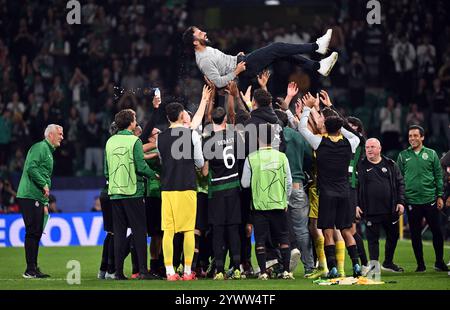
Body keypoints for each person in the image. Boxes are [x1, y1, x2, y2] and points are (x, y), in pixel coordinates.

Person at [298, 93, 362, 278]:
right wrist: (332, 110)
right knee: (346, 231)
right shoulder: (350, 143)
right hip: (344, 193)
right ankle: (356, 265)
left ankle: (332, 267)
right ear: (340, 128)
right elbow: (354, 133)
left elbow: (303, 128)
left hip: (326, 193)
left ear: (325, 127)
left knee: (327, 232)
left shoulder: (320, 143)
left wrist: (308, 108)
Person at [183, 26, 338, 89]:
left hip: (240, 61)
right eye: (199, 33)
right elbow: (217, 82)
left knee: (281, 54)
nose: (203, 32)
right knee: (276, 47)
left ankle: (318, 67)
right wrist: (236, 71)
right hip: (243, 69)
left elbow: (223, 64)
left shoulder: (206, 49)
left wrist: (235, 58)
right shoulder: (203, 59)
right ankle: (316, 47)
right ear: (195, 42)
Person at [104, 109, 158, 280]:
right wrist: (153, 175)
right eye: (134, 119)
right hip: (133, 192)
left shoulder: (110, 142)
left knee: (119, 234)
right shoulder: (134, 141)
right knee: (139, 231)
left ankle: (118, 272)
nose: (136, 121)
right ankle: (143, 271)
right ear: (131, 123)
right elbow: (141, 167)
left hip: (115, 193)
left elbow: (106, 171)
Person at [157, 102, 204, 281]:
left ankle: (169, 272)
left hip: (168, 188)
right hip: (187, 187)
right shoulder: (191, 134)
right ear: (181, 115)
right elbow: (199, 162)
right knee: (188, 230)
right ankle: (186, 272)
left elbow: (162, 160)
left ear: (168, 117)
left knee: (168, 231)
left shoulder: (161, 138)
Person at [241, 124, 294, 280]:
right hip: (279, 203)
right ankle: (286, 271)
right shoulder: (281, 157)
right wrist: (285, 200)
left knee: (261, 240)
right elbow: (289, 182)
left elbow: (244, 183)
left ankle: (263, 272)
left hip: (259, 205)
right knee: (283, 238)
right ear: (273, 139)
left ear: (258, 139)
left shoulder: (252, 158)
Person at [397, 125, 448, 272]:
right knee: (415, 234)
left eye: (415, 136)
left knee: (437, 231)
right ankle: (420, 265)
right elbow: (399, 179)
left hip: (430, 199)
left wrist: (440, 196)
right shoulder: (402, 156)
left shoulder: (432, 154)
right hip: (411, 201)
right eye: (410, 136)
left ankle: (439, 262)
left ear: (422, 137)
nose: (412, 138)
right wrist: (401, 198)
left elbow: (439, 176)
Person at [16, 124, 63, 278]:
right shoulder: (40, 147)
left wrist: (44, 202)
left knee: (36, 232)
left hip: (36, 196)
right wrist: (43, 184)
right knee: (32, 232)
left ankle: (33, 268)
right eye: (59, 134)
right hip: (29, 194)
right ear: (50, 135)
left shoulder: (48, 151)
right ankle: (30, 269)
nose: (62, 137)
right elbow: (31, 168)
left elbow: (42, 174)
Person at [203, 107, 243, 280]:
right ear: (225, 118)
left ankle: (219, 270)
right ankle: (236, 268)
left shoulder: (208, 140)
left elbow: (204, 172)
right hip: (233, 187)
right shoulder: (235, 136)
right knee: (233, 229)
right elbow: (241, 161)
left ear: (212, 119)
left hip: (217, 190)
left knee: (218, 230)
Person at [274, 109, 315, 276]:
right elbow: (309, 158)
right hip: (297, 184)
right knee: (301, 229)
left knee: (277, 228)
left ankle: (282, 267)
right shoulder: (298, 136)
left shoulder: (271, 138)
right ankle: (309, 267)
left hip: (276, 186)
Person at [357, 138, 405, 273]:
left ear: (379, 149)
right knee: (373, 240)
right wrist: (356, 205)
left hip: (390, 209)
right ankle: (373, 266)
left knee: (393, 236)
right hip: (370, 210)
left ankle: (388, 262)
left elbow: (400, 183)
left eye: (372, 147)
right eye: (367, 147)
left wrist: (401, 202)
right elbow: (354, 186)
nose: (369, 150)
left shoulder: (390, 164)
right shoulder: (360, 165)